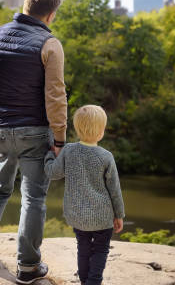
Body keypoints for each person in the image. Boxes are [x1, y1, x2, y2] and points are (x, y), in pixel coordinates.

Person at [0, 0, 68, 284]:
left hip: (0, 129)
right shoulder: (49, 44)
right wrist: (60, 138)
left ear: (25, 4)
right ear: (51, 15)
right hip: (36, 132)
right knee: (33, 199)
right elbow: (55, 96)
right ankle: (27, 267)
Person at [44, 105, 125, 285]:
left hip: (78, 216)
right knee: (101, 250)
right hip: (103, 217)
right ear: (101, 132)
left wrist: (49, 155)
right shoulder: (106, 156)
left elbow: (52, 173)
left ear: (77, 128)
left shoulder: (69, 151)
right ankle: (93, 281)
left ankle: (85, 281)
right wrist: (119, 215)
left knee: (84, 248)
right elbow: (115, 190)